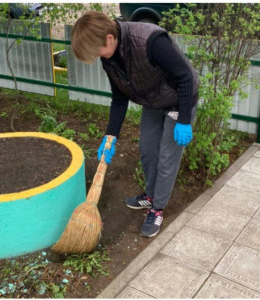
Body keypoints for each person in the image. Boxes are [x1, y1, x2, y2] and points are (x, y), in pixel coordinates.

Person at [71, 11, 199, 238]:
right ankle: (150, 195)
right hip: (154, 100)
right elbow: (120, 97)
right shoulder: (109, 57)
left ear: (109, 38)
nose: (97, 57)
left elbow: (185, 77)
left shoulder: (150, 40)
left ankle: (157, 208)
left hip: (180, 99)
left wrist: (184, 120)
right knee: (148, 150)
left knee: (166, 160)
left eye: (97, 51)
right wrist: (110, 136)